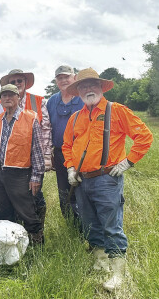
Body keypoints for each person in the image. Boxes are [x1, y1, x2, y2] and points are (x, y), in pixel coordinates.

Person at [62, 68, 152, 291]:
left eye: (92, 84)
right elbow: (66, 145)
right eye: (83, 86)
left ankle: (118, 273)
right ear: (78, 91)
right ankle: (100, 262)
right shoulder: (75, 118)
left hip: (106, 179)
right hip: (82, 181)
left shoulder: (117, 111)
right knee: (90, 224)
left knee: (111, 226)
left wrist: (127, 162)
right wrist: (70, 168)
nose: (88, 89)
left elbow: (144, 136)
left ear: (101, 87)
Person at [0, 84, 45, 245]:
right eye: (4, 95)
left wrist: (36, 176)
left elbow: (38, 150)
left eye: (11, 95)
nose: (8, 98)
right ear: (0, 99)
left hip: (20, 174)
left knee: (27, 211)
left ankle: (36, 246)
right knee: (2, 211)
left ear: (19, 98)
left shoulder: (31, 118)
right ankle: (8, 246)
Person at [0, 68, 52, 229]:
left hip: (35, 159)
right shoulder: (4, 103)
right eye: (13, 82)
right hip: (15, 161)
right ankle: (19, 230)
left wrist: (46, 157)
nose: (17, 84)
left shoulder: (39, 101)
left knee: (34, 195)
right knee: (15, 195)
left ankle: (36, 230)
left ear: (25, 83)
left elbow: (46, 130)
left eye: (19, 81)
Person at [46, 65, 83, 224]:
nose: (64, 80)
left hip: (81, 153)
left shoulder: (83, 98)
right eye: (60, 78)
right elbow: (47, 127)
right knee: (63, 190)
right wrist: (50, 153)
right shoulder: (52, 101)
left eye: (67, 76)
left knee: (81, 189)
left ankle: (85, 224)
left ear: (74, 78)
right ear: (56, 81)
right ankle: (70, 223)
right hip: (60, 152)